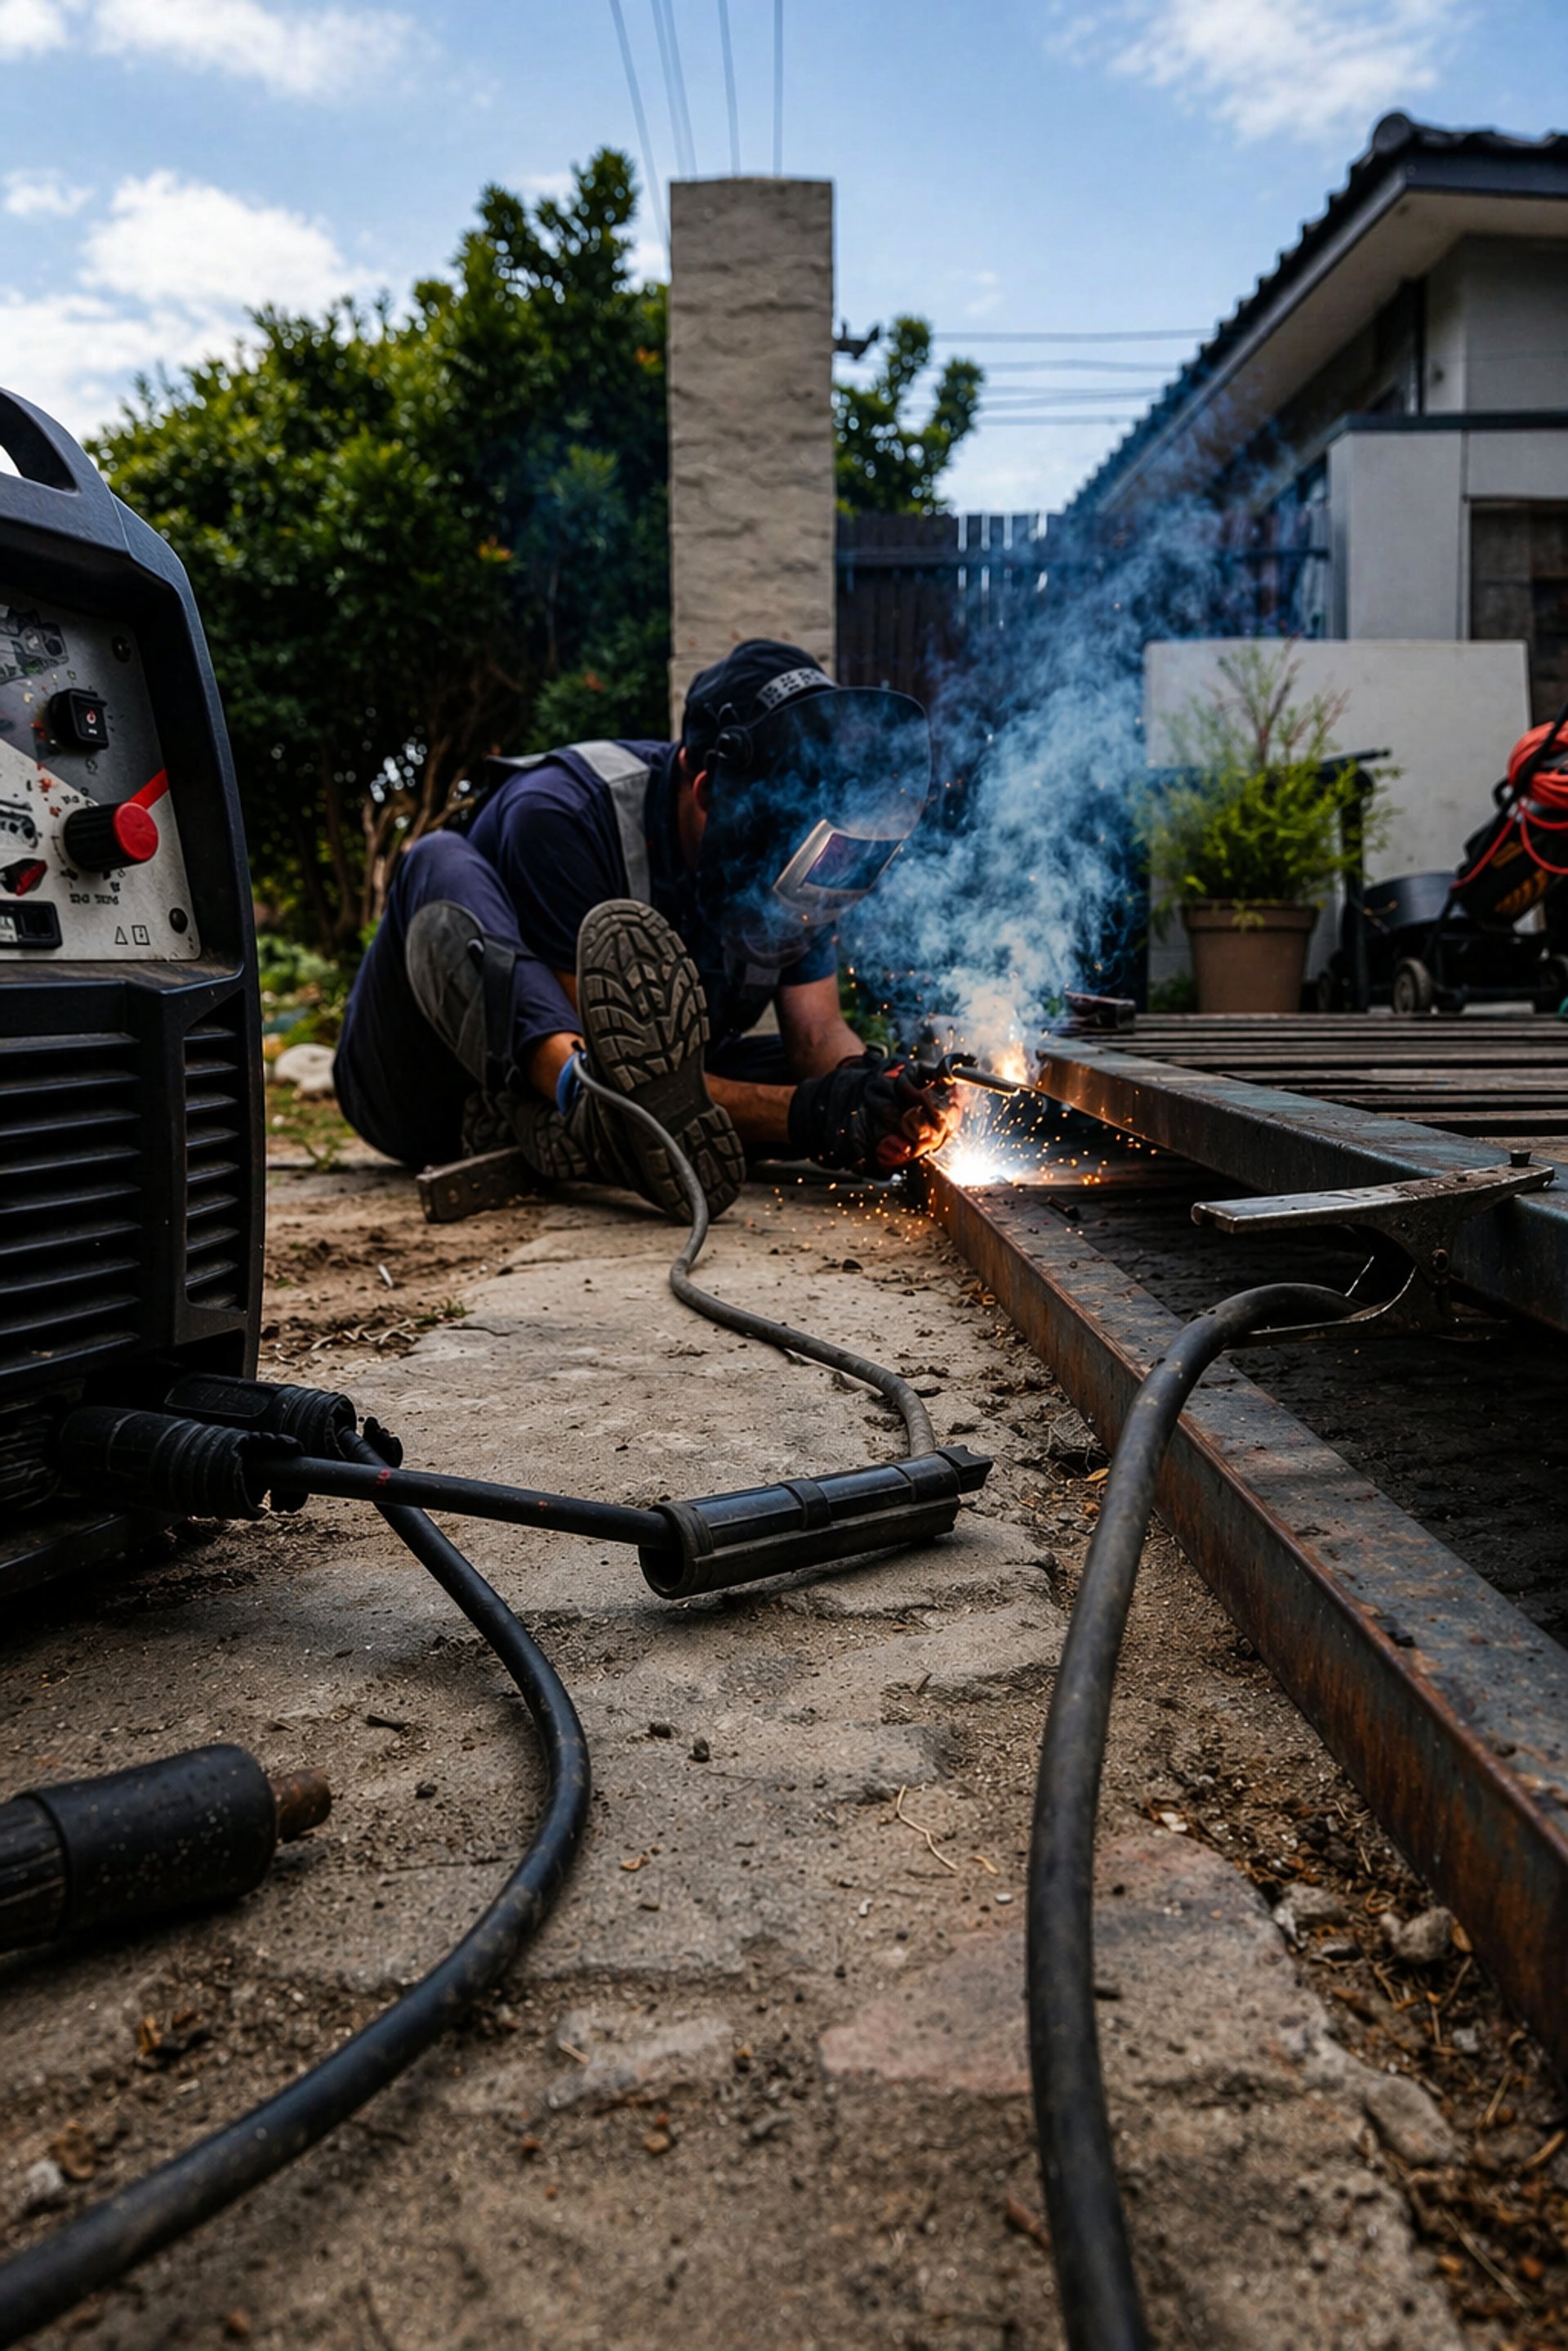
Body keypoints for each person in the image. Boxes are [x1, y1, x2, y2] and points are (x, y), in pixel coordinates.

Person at [334, 639, 959, 1218]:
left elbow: (817, 1033)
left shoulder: (794, 851)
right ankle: (586, 1113)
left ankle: (554, 1126)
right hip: (414, 1088)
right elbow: (619, 1065)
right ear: (708, 789)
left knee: (842, 1084)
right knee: (434, 857)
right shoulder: (563, 815)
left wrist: (879, 1102)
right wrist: (807, 1114)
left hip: (578, 1098)